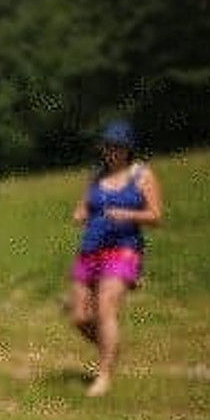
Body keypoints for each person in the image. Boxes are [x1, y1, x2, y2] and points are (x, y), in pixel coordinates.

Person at [68, 120, 163, 397]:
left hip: (124, 250)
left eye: (117, 147)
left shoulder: (142, 176)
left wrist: (127, 214)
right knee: (79, 317)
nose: (112, 152)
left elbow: (156, 215)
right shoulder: (96, 176)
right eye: (108, 147)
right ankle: (110, 351)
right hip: (90, 249)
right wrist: (80, 214)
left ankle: (104, 375)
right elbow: (83, 208)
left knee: (106, 309)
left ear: (128, 149)